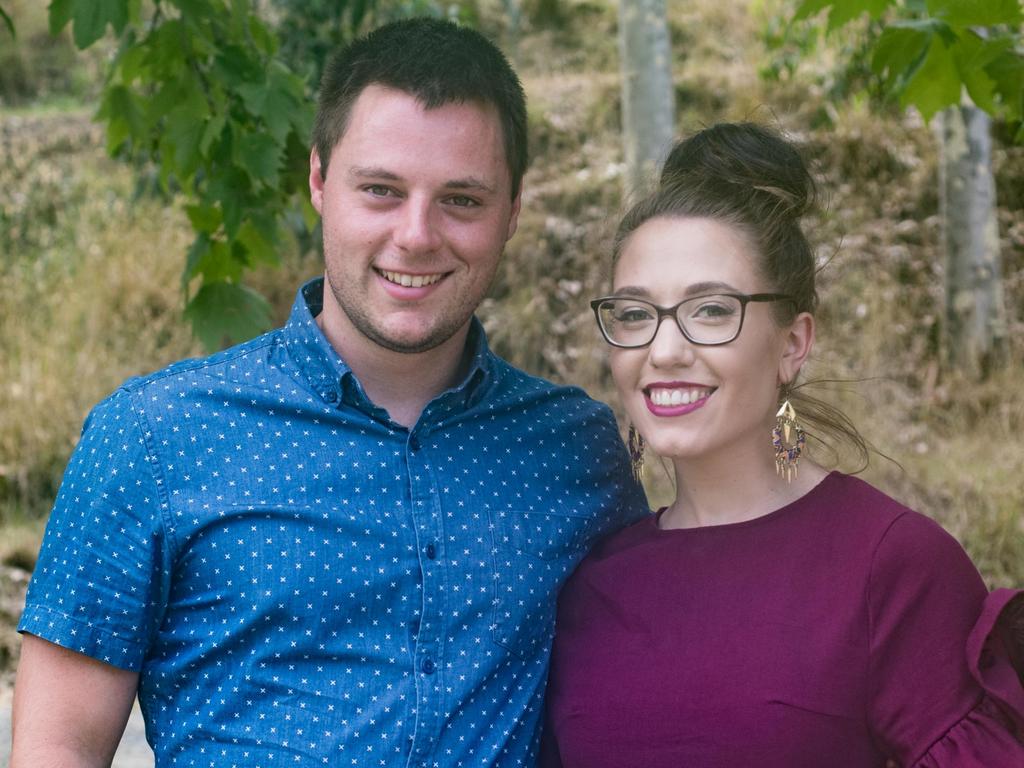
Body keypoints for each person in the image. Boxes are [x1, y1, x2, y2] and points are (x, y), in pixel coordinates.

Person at [11, 18, 647, 767]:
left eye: (462, 200)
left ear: (512, 210)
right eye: (380, 189)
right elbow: (57, 749)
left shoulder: (577, 450)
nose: (416, 235)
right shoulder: (154, 436)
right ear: (318, 180)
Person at [541, 122, 1024, 767]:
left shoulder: (891, 567)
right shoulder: (592, 582)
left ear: (793, 343)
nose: (664, 351)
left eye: (711, 310)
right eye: (635, 315)